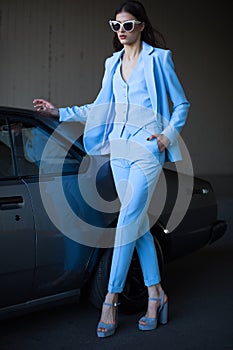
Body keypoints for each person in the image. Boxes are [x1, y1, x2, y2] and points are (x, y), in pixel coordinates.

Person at [33, 0, 190, 338]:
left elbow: (181, 104)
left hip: (147, 151)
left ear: (141, 26)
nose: (121, 31)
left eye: (128, 25)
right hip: (118, 151)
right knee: (140, 227)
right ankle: (156, 295)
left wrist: (165, 137)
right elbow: (98, 107)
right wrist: (59, 112)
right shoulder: (111, 64)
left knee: (127, 222)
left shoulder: (158, 60)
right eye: (116, 25)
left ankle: (110, 300)